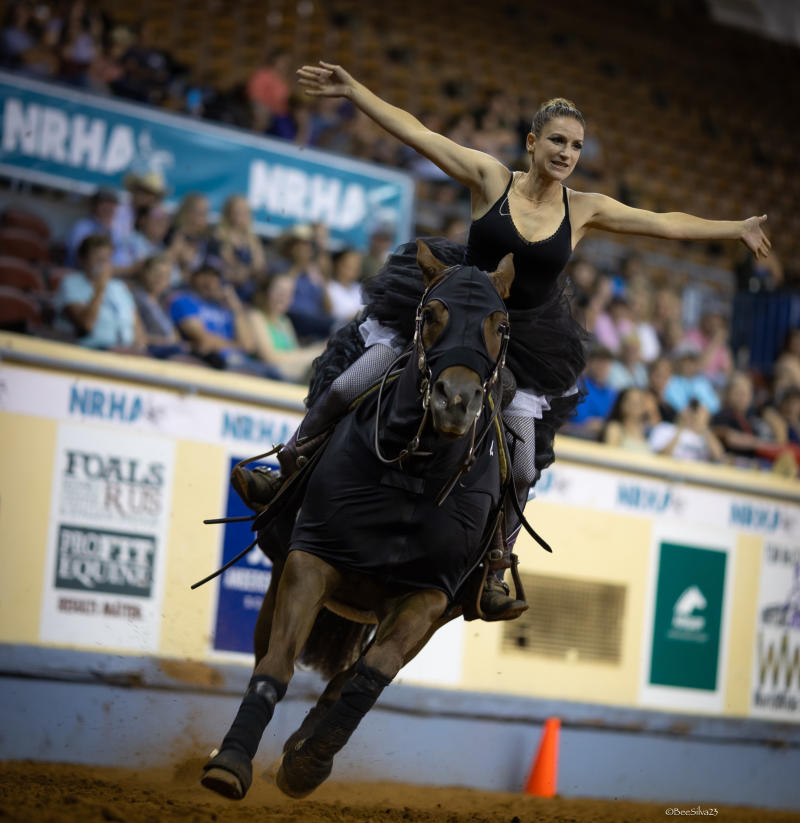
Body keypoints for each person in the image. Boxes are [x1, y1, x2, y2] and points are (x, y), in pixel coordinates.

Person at [236, 60, 771, 619]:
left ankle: (495, 563)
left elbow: (666, 223)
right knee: (351, 384)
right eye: (558, 141)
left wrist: (734, 229)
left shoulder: (585, 209)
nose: (567, 153)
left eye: (577, 146)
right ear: (532, 142)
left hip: (520, 343)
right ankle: (286, 472)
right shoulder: (491, 179)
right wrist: (353, 91)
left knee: (518, 465)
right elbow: (417, 133)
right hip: (452, 321)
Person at [54, 233, 145, 351]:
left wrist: (139, 350)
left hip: (126, 350)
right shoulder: (70, 284)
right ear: (83, 259)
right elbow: (87, 325)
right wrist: (100, 287)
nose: (102, 263)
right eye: (97, 258)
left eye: (106, 258)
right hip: (91, 348)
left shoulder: (119, 287)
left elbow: (138, 329)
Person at [248, 273, 328, 382]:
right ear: (267, 291)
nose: (283, 297)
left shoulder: (285, 321)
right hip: (269, 378)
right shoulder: (256, 316)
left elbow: (295, 354)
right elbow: (271, 358)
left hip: (289, 377)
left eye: (289, 293)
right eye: (279, 291)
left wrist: (321, 348)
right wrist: (316, 353)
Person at [602, 388, 651, 453]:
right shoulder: (615, 429)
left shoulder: (647, 434)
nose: (635, 405)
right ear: (622, 404)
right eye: (630, 401)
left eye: (639, 401)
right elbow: (609, 456)